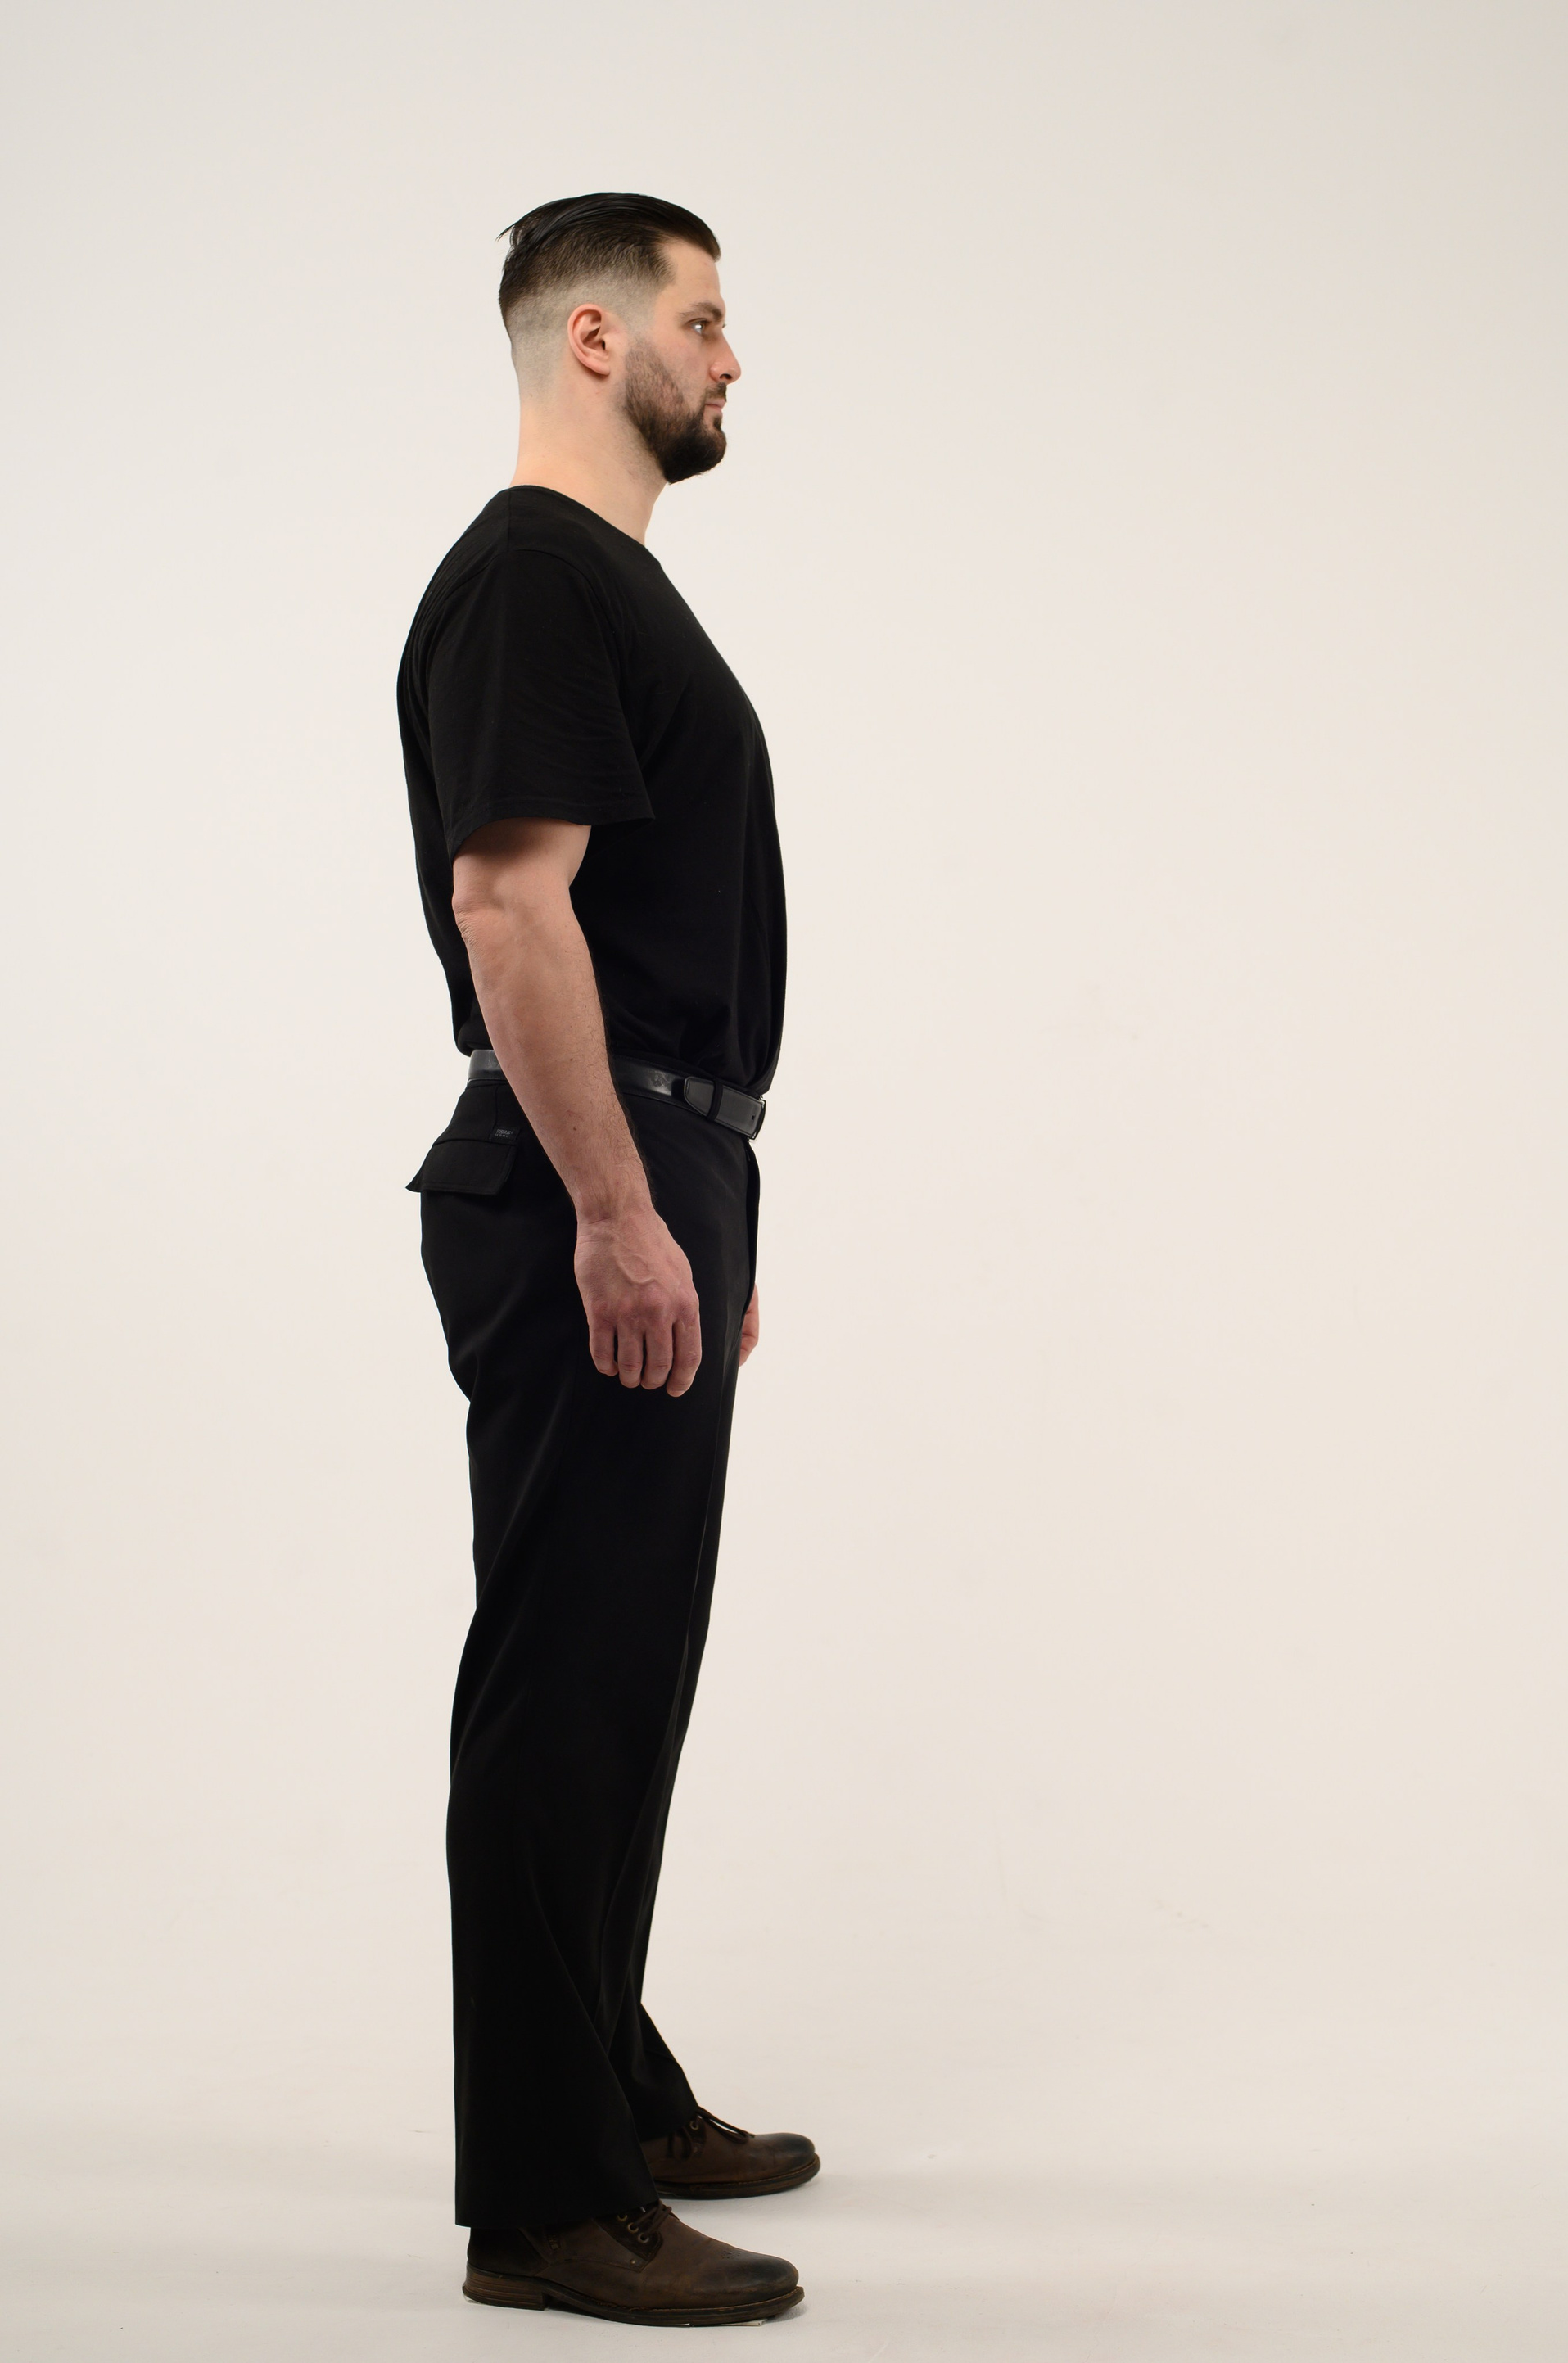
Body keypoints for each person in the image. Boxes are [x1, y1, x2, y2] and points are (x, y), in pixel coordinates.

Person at [396, 193, 811, 2327]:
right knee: (568, 1673)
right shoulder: (536, 574)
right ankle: (549, 2204)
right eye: (704, 319)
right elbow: (511, 903)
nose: (732, 358)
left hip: (655, 1163)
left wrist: (697, 1206)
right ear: (591, 339)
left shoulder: (608, 586)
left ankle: (610, 2091)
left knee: (625, 1666)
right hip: (592, 1173)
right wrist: (622, 1208)